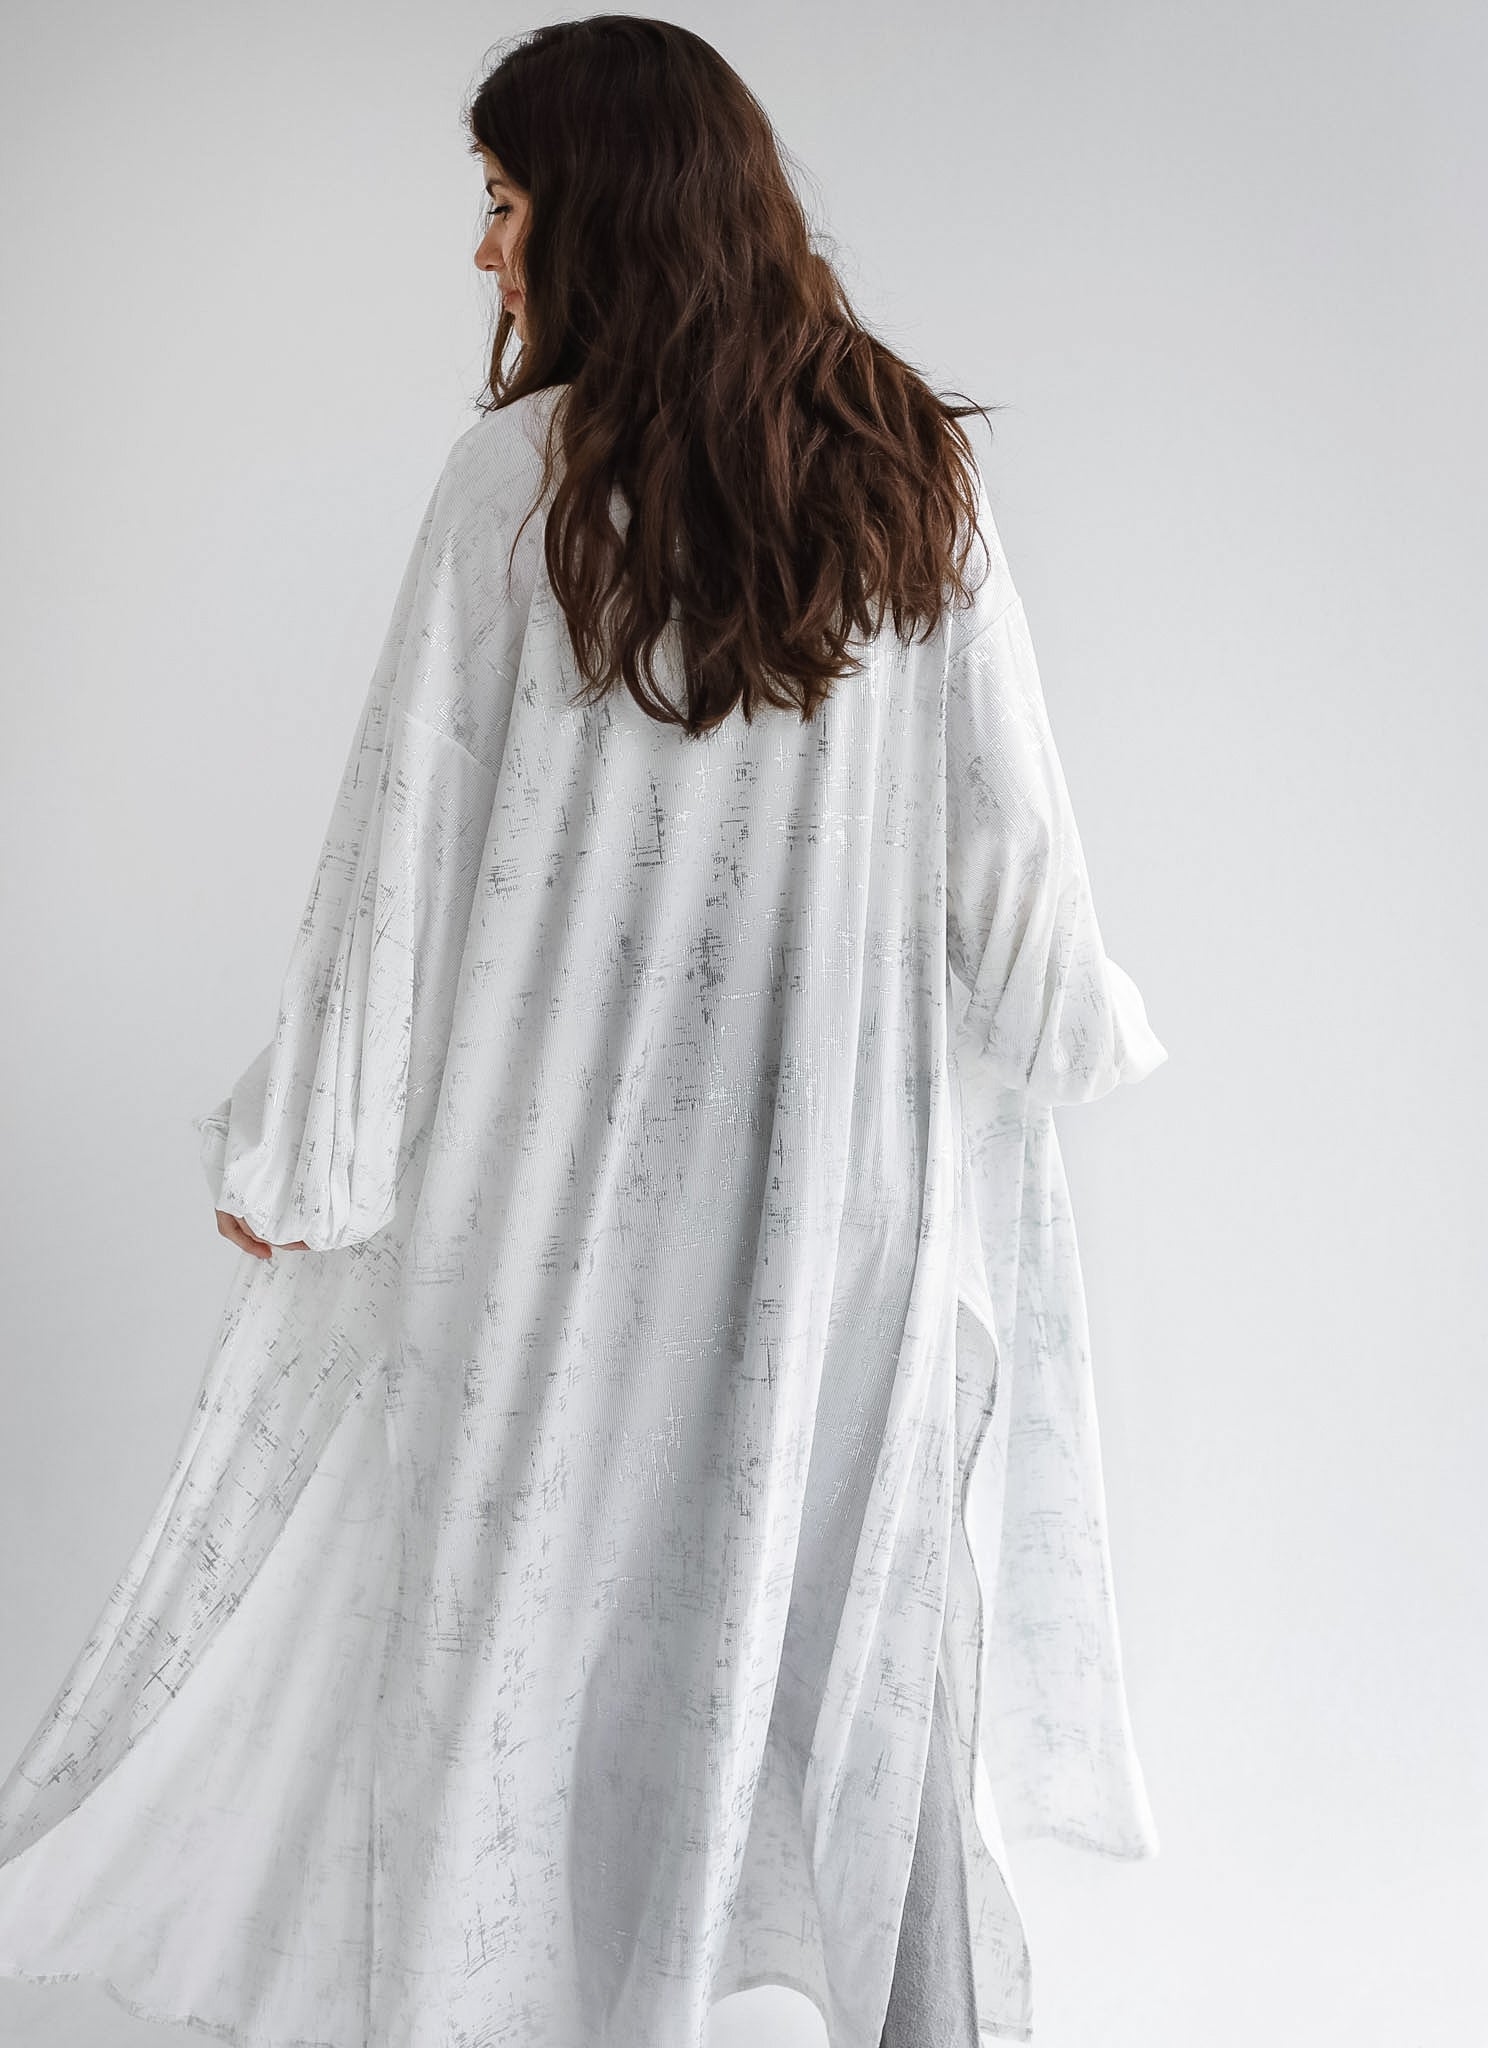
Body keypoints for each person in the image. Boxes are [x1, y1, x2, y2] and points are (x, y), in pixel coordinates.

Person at [0, 16, 1168, 2047]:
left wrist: (307, 1159)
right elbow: (1022, 916)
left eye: (505, 201)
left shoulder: (518, 487)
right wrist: (1051, 1039)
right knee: (859, 1659)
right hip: (840, 1239)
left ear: (602, 211)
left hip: (555, 1228)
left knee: (508, 1690)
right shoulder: (913, 474)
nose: (486, 250)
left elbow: (398, 859)